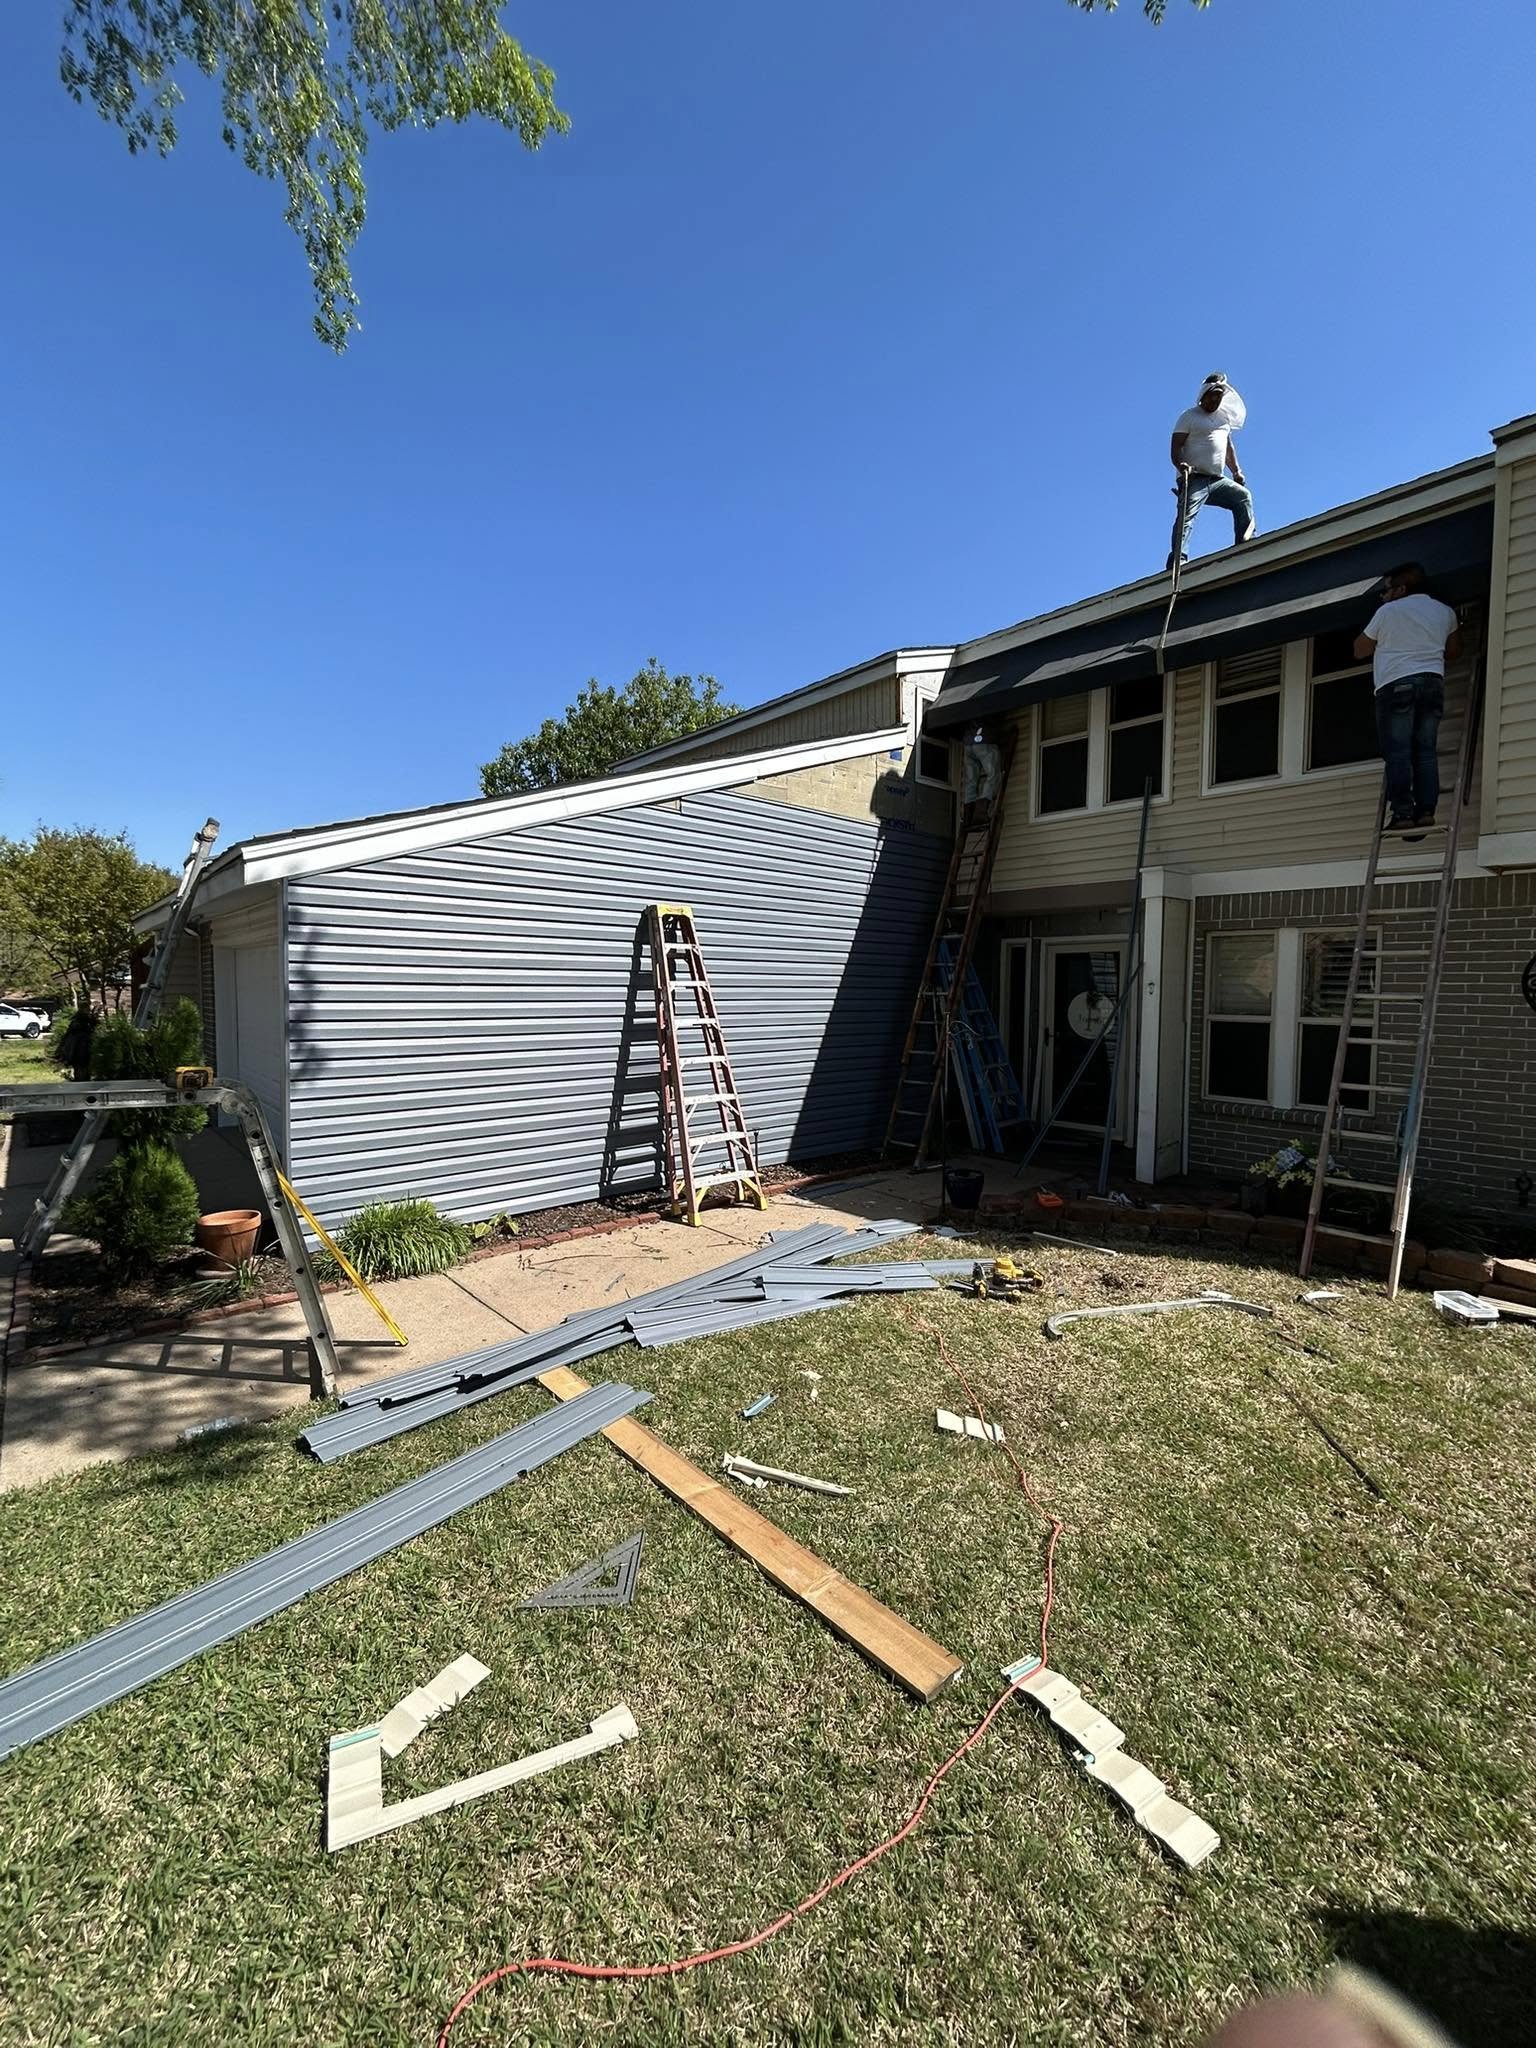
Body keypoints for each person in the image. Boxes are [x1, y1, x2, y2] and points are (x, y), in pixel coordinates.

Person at [1354, 562, 1461, 832]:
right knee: (1425, 751)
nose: (1384, 595)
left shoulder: (1388, 611)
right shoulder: (1444, 612)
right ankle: (1426, 811)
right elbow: (1453, 651)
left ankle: (1402, 813)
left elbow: (1360, 650)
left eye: (1387, 589)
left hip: (1396, 684)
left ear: (1401, 588)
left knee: (1398, 752)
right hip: (1432, 683)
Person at [1168, 372, 1256, 568]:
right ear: (1203, 396)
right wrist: (1180, 464)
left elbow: (1228, 447)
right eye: (1211, 396)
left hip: (1217, 479)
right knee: (1187, 514)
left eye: (1218, 397)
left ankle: (1246, 544)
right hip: (1195, 478)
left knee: (1243, 497)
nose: (1214, 401)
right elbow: (1176, 445)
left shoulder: (1223, 419)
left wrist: (1236, 471)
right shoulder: (1189, 416)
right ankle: (1178, 559)